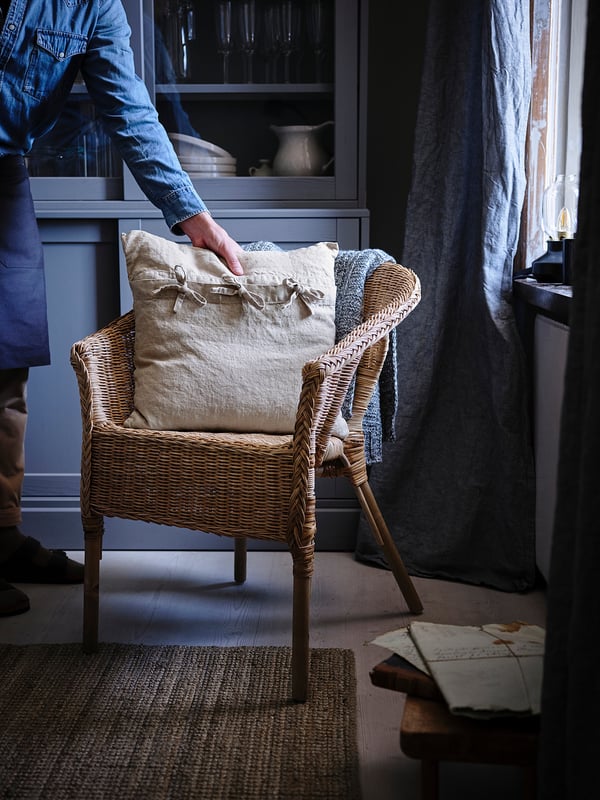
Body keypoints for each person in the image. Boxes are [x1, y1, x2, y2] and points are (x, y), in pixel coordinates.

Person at [0, 0, 244, 616]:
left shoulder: (95, 7)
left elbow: (130, 111)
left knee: (8, 365)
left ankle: (0, 536)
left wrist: (197, 220)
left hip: (4, 173)